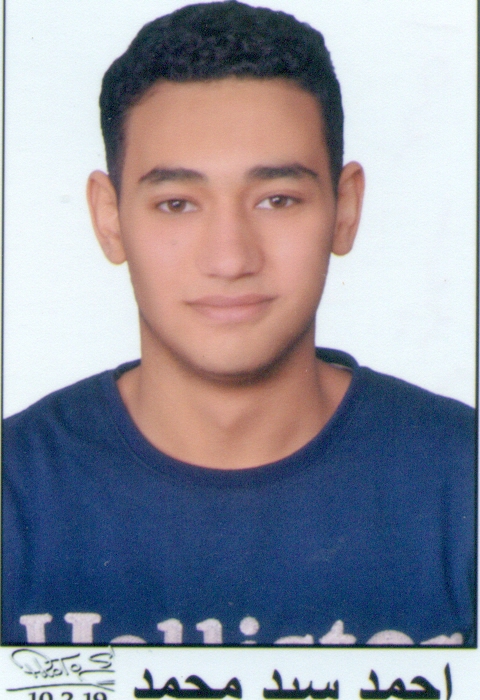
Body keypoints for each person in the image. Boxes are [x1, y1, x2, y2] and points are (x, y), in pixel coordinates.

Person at [3, 0, 474, 646]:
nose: (230, 259)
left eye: (277, 200)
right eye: (177, 204)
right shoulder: (14, 494)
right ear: (109, 219)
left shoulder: (464, 483)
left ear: (345, 209)